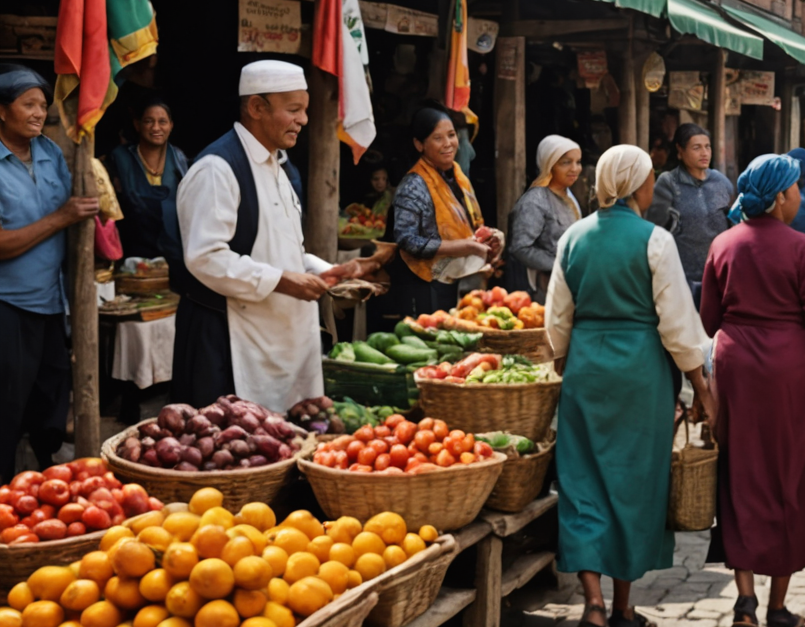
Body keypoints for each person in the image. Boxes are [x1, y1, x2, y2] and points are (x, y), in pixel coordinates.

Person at [547, 144, 714, 627]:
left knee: (582, 483)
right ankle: (622, 609)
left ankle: (593, 607)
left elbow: (556, 322)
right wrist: (701, 387)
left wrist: (564, 365)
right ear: (634, 185)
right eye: (648, 179)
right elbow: (680, 328)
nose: (653, 186)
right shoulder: (655, 241)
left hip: (586, 371)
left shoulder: (573, 237)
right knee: (632, 485)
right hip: (640, 373)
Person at [170, 61, 370, 411]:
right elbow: (205, 257)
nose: (304, 120)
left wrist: (329, 271)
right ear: (257, 108)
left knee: (284, 437)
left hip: (281, 337)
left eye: (304, 110)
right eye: (293, 110)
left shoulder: (282, 166)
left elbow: (284, 248)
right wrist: (281, 281)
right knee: (234, 447)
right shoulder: (217, 169)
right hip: (230, 336)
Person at [702, 154, 805, 627]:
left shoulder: (723, 244)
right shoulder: (804, 249)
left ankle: (745, 598)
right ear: (781, 196)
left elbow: (708, 320)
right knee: (789, 475)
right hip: (789, 373)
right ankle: (778, 608)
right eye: (796, 189)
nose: (801, 196)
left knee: (740, 473)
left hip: (737, 368)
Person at [0, 67, 97, 467]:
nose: (39, 113)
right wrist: (61, 217)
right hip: (9, 305)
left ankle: (45, 484)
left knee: (50, 401)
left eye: (43, 104)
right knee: (7, 405)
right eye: (29, 105)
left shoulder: (51, 152)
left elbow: (76, 216)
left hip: (52, 302)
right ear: (3, 111)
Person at [381, 107, 500, 324]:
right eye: (437, 138)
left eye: (452, 135)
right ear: (420, 145)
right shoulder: (414, 185)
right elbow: (407, 240)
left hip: (457, 280)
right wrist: (464, 247)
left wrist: (485, 240)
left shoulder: (457, 176)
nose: (448, 143)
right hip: (425, 285)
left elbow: (469, 224)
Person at [645, 123, 736, 305]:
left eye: (707, 147)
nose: (704, 153)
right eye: (696, 148)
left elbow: (734, 225)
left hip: (718, 275)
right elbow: (656, 230)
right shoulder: (668, 183)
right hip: (681, 277)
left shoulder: (721, 182)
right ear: (680, 150)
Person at [105, 96, 187, 260]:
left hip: (174, 255)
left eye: (162, 122)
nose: (156, 127)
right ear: (137, 125)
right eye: (149, 121)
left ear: (171, 126)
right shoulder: (120, 159)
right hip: (131, 255)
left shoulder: (180, 160)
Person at [506, 135, 582, 300]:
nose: (575, 168)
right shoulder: (535, 201)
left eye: (578, 162)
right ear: (549, 165)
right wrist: (559, 265)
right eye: (566, 162)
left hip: (570, 285)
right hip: (545, 290)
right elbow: (520, 248)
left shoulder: (569, 195)